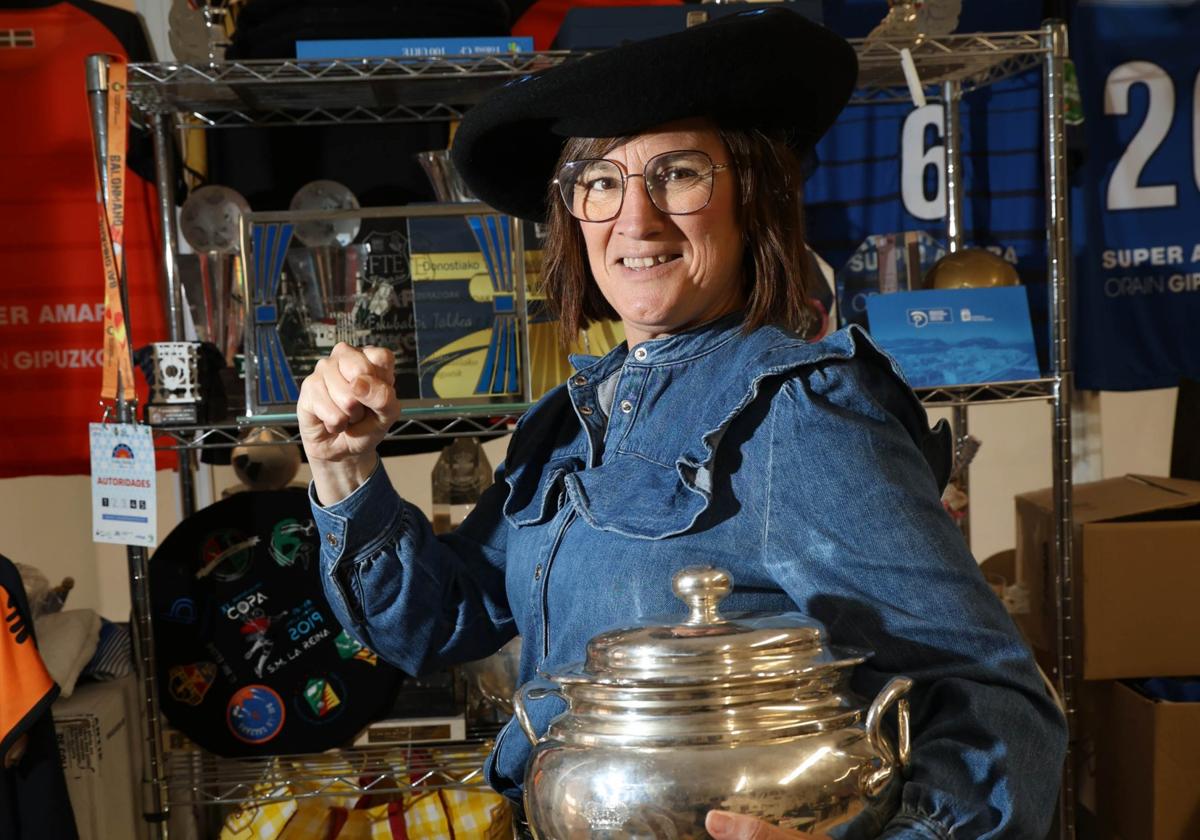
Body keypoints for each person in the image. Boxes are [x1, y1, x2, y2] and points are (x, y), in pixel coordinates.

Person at [298, 9, 1067, 839]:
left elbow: (997, 700)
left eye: (679, 173)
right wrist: (345, 470)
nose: (637, 219)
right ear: (571, 216)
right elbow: (435, 624)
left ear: (753, 196)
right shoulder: (564, 424)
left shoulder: (799, 413)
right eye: (600, 181)